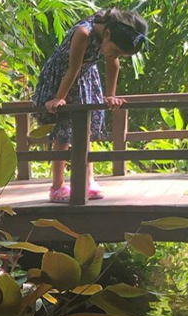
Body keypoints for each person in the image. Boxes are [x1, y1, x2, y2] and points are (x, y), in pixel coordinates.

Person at [33, 8, 149, 203]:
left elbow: (113, 62)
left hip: (85, 76)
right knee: (63, 132)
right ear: (107, 34)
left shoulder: (108, 35)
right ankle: (57, 186)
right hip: (62, 78)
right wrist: (59, 97)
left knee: (84, 130)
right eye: (116, 50)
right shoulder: (84, 33)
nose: (115, 55)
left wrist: (110, 95)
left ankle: (89, 181)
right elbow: (72, 68)